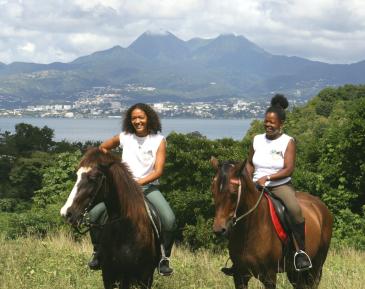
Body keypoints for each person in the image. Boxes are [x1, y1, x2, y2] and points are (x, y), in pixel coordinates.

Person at [222, 94, 311, 275]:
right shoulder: (257, 139)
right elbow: (250, 163)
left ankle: (300, 252)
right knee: (235, 209)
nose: (268, 125)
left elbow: (288, 169)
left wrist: (268, 178)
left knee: (294, 210)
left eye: (272, 122)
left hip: (279, 185)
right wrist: (245, 177)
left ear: (281, 124)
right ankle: (237, 258)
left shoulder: (288, 141)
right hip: (254, 184)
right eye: (266, 122)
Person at [88, 103, 176, 276]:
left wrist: (138, 183)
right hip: (121, 190)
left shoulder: (159, 140)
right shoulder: (125, 137)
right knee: (94, 215)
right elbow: (103, 148)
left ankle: (163, 258)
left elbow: (158, 171)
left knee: (170, 220)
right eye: (134, 118)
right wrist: (113, 168)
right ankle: (97, 252)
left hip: (147, 188)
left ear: (149, 118)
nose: (137, 121)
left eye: (141, 117)